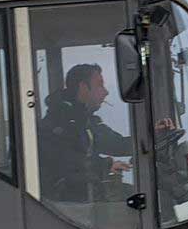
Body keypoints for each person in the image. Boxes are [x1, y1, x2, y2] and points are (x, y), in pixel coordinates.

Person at [39, 61, 134, 203]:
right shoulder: (58, 122)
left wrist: (153, 136)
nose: (106, 92)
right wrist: (105, 165)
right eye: (100, 85)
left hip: (86, 195)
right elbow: (64, 161)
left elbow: (118, 144)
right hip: (67, 204)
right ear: (83, 88)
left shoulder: (85, 121)